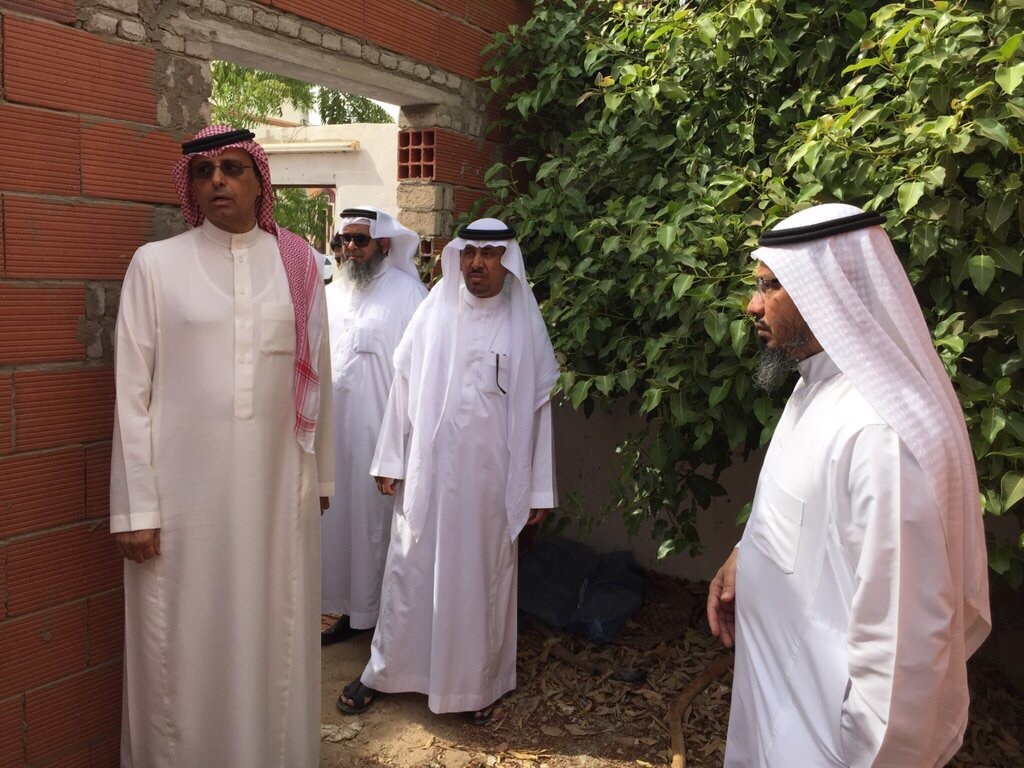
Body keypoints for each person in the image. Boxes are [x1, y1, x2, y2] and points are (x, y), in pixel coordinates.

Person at [706, 203, 991, 767]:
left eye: (770, 286)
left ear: (827, 291)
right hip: (778, 713)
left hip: (823, 743)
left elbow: (902, 655)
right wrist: (747, 554)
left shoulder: (879, 433)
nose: (752, 305)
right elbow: (809, 514)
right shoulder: (818, 383)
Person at [109, 125, 334, 767]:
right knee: (180, 643)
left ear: (260, 181)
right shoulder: (155, 265)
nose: (217, 181)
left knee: (273, 631)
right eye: (204, 171)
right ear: (190, 186)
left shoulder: (298, 264)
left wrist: (320, 479)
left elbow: (320, 377)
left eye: (233, 168)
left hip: (275, 498)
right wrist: (134, 508)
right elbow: (130, 392)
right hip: (179, 509)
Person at [336, 217, 560, 724]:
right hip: (428, 476)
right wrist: (390, 458)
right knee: (409, 571)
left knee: (479, 583)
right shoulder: (435, 308)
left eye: (489, 253)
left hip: (488, 486)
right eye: (469, 252)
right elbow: (403, 385)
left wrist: (538, 489)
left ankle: (473, 688)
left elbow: (538, 412)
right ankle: (385, 672)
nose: (477, 263)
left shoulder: (524, 321)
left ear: (507, 260)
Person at [320, 206, 427, 644]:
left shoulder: (409, 294)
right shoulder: (330, 294)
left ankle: (387, 627)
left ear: (383, 243)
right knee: (340, 527)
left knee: (377, 530)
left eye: (359, 240)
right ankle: (351, 612)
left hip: (383, 440)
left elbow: (421, 374)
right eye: (343, 240)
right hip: (334, 437)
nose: (350, 248)